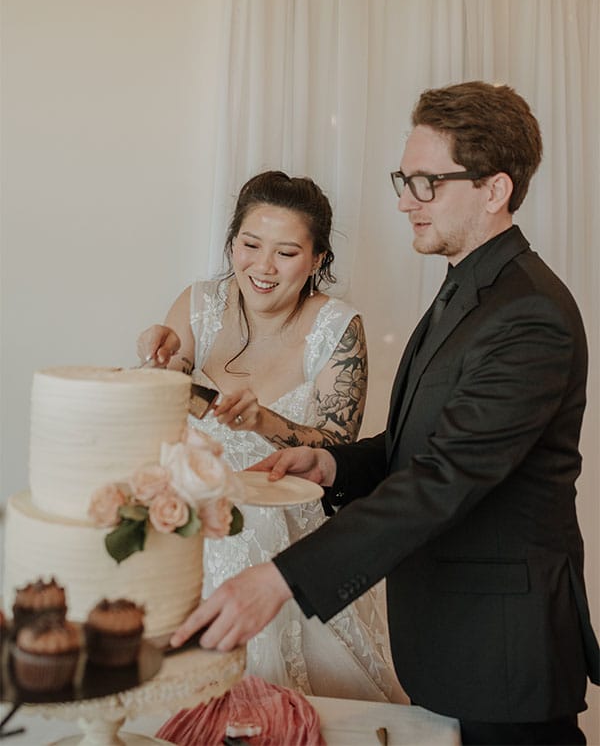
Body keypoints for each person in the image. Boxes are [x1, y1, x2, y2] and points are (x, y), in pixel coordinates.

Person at [170, 83, 600, 745]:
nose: (404, 200)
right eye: (406, 179)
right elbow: (414, 446)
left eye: (427, 182)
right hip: (452, 638)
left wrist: (280, 580)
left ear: (494, 190)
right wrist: (333, 461)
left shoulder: (529, 314)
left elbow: (441, 482)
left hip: (504, 651)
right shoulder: (470, 286)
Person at [137, 170, 403, 701]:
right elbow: (169, 396)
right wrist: (159, 359)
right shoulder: (199, 304)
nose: (262, 267)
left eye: (286, 253)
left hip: (287, 555)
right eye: (250, 245)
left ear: (317, 259)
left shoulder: (337, 328)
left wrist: (264, 422)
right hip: (189, 539)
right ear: (232, 241)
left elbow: (339, 451)